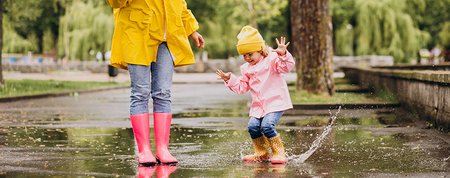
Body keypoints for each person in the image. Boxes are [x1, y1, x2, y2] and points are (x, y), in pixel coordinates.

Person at [106, 0, 205, 166]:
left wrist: (192, 30)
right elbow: (116, 3)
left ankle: (162, 149)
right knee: (140, 92)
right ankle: (144, 149)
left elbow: (180, 5)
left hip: (167, 39)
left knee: (163, 93)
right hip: (137, 34)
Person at [216, 26, 294, 164]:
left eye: (250, 54)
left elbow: (286, 67)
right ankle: (262, 153)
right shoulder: (246, 68)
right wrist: (230, 79)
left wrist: (283, 55)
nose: (247, 58)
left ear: (259, 49)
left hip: (275, 102)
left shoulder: (272, 59)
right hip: (258, 106)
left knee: (267, 126)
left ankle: (279, 153)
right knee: (252, 127)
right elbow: (242, 87)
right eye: (244, 55)